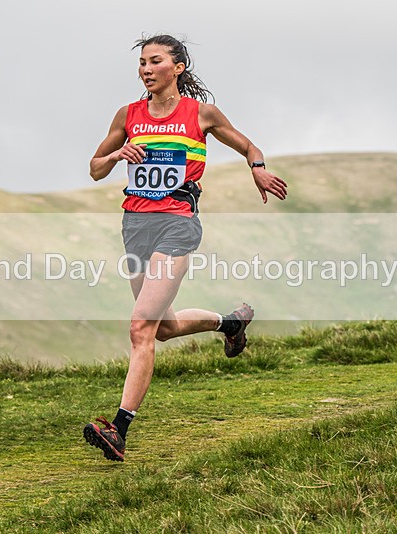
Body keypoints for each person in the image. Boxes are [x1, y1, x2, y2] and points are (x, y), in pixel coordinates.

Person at [83, 34, 288, 462]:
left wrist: (258, 169)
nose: (144, 68)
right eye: (141, 62)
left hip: (177, 225)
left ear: (176, 68)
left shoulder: (201, 114)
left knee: (140, 328)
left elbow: (249, 146)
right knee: (162, 326)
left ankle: (119, 430)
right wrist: (119, 153)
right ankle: (229, 323)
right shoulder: (128, 114)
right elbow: (95, 169)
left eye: (154, 61)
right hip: (135, 225)